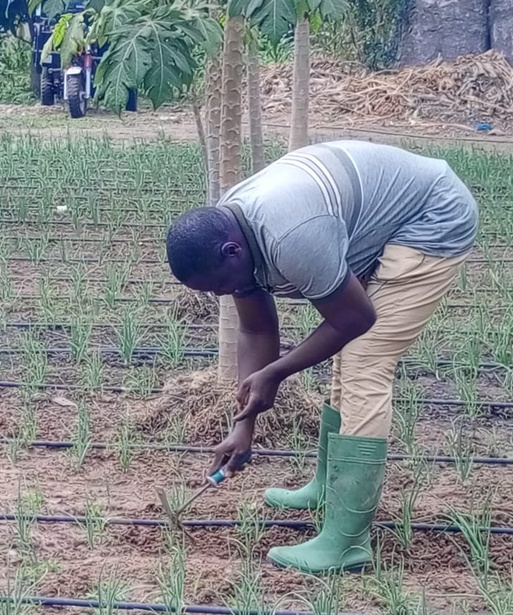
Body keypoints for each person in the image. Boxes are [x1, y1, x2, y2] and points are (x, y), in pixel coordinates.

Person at [164, 139, 478, 574]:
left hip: (430, 217)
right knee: (345, 358)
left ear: (231, 252)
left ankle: (347, 544)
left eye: (218, 284)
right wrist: (243, 427)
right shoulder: (229, 230)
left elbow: (354, 318)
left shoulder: (292, 235)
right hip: (379, 214)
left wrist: (277, 373)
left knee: (365, 363)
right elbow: (256, 328)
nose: (220, 294)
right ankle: (329, 487)